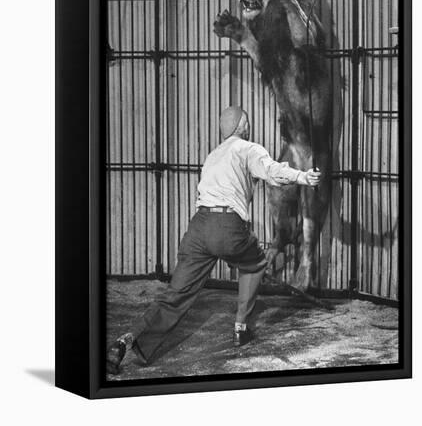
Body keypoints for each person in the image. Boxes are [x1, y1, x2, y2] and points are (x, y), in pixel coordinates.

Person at [107, 106, 321, 375]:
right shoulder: (248, 148)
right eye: (248, 122)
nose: (249, 126)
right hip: (228, 227)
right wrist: (303, 176)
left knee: (175, 295)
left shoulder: (212, 156)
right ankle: (241, 328)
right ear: (243, 125)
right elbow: (271, 170)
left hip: (198, 229)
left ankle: (124, 342)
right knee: (254, 263)